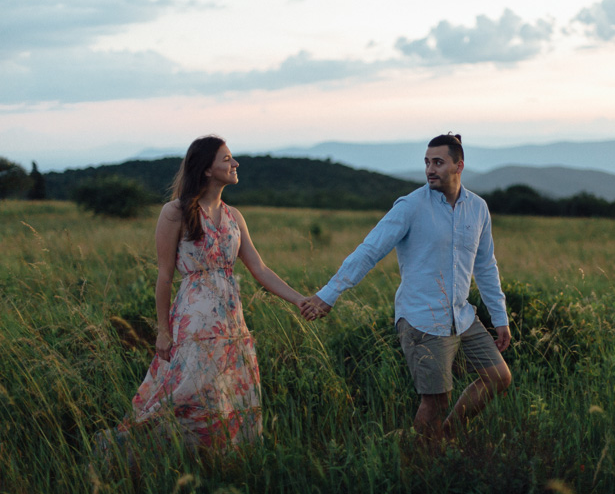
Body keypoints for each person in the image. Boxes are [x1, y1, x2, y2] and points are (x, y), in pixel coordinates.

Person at [96, 135, 308, 456]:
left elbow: (260, 269)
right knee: (186, 396)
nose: (235, 164)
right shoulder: (176, 212)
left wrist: (300, 300)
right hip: (193, 324)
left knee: (222, 399)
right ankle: (142, 455)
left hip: (231, 324)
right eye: (226, 159)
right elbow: (165, 276)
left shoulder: (234, 216)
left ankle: (216, 463)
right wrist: (163, 331)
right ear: (207, 170)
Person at [302, 133, 512, 441]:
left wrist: (500, 317)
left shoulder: (478, 208)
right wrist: (328, 295)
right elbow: (369, 251)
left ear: (459, 165)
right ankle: (416, 464)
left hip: (462, 316)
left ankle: (444, 438)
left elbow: (485, 266)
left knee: (498, 377)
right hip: (422, 317)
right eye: (427, 162)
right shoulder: (410, 206)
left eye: (438, 162)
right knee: (436, 400)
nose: (430, 169)